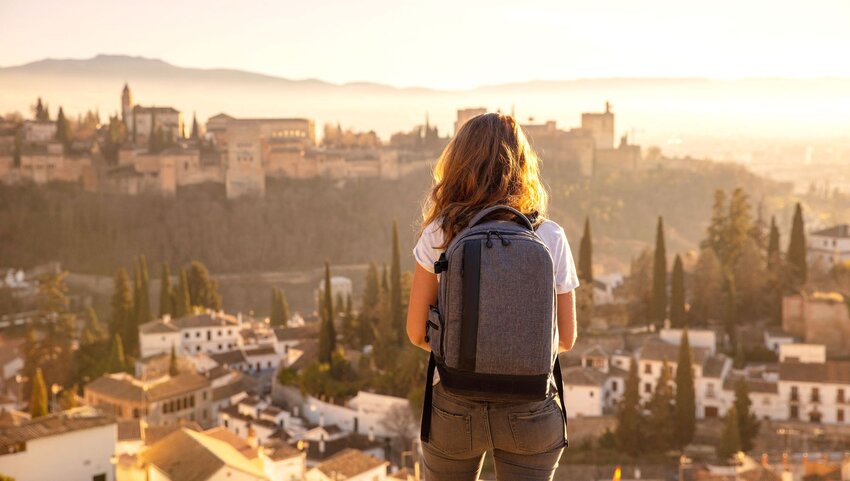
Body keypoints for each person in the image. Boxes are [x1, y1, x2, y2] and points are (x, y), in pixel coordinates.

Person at [406, 112, 580, 481]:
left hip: (455, 404)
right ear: (523, 166)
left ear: (458, 164)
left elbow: (417, 332)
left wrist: (467, 355)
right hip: (532, 409)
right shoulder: (550, 236)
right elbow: (565, 339)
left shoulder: (439, 233)